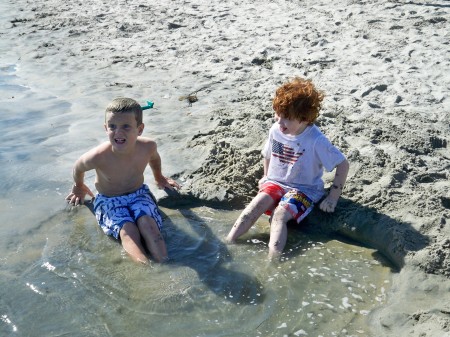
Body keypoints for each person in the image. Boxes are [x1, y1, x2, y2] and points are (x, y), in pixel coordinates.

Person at [226, 77, 349, 259]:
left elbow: (343, 163)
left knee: (279, 216)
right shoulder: (276, 130)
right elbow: (269, 154)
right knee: (253, 207)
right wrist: (266, 176)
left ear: (305, 119)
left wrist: (333, 196)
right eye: (278, 115)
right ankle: (228, 242)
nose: (280, 121)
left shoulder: (316, 140)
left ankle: (273, 261)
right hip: (276, 182)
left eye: (287, 118)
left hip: (304, 190)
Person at [65, 97, 179, 264]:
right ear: (106, 128)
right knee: (128, 231)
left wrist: (159, 177)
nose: (118, 132)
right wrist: (78, 186)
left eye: (126, 126)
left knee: (148, 226)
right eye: (112, 127)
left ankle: (165, 264)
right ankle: (146, 270)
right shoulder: (99, 156)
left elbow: (154, 158)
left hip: (139, 194)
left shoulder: (147, 146)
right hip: (109, 200)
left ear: (139, 129)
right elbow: (78, 167)